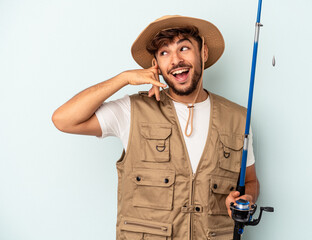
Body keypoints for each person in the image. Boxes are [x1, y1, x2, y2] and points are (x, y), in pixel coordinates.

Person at [52, 15, 260, 240]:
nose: (175, 60)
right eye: (164, 53)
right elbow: (63, 119)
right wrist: (124, 78)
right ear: (156, 66)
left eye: (184, 48)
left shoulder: (238, 118)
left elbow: (251, 181)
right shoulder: (131, 111)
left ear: (204, 53)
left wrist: (247, 198)